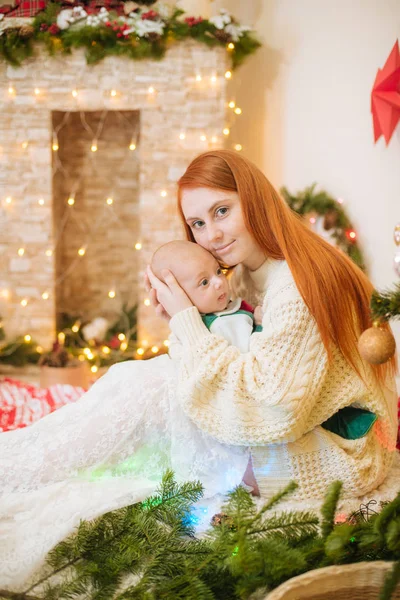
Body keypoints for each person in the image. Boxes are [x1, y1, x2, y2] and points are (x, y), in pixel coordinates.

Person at [0, 150, 398, 592]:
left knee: (146, 389)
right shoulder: (249, 272)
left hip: (325, 455)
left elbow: (271, 406)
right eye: (197, 224)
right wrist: (188, 313)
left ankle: (19, 470)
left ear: (255, 199)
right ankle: (22, 468)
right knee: (141, 391)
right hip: (283, 434)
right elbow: (228, 351)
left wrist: (188, 323)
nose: (211, 235)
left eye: (222, 211)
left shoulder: (298, 284)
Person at [151, 240, 263, 355]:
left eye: (218, 271)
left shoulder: (229, 309)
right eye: (204, 282)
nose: (219, 281)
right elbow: (251, 355)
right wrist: (259, 325)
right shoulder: (221, 325)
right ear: (180, 297)